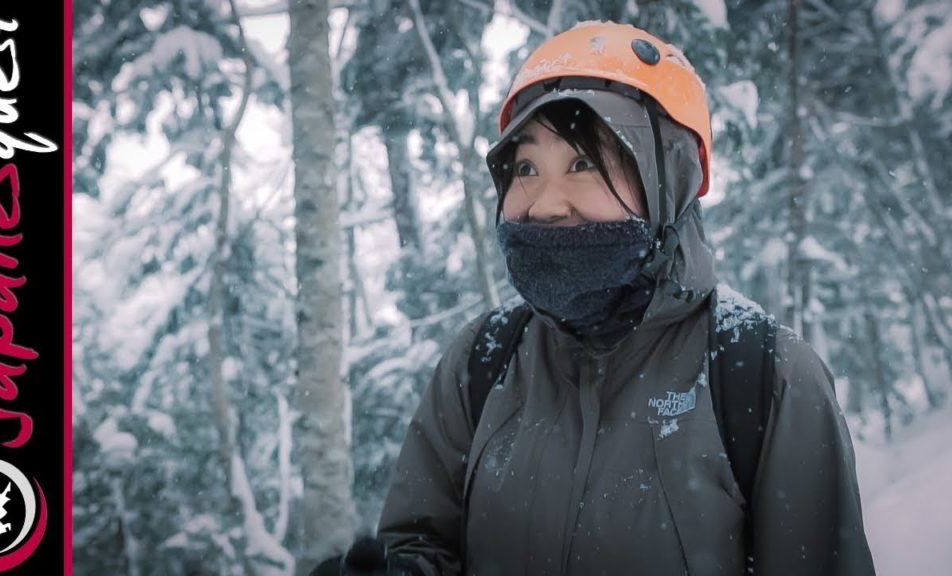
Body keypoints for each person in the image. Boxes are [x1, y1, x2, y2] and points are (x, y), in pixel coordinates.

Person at [312, 20, 874, 576]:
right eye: (526, 167)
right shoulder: (483, 360)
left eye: (583, 163)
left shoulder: (759, 372)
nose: (546, 204)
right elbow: (424, 541)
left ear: (666, 181)